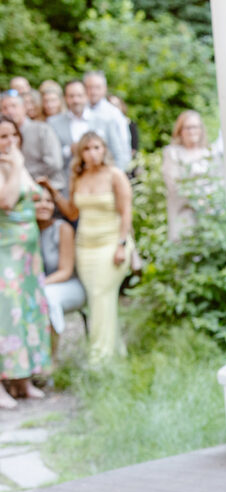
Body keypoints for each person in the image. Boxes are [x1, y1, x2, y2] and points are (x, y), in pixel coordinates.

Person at [39, 132, 134, 363]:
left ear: (104, 149)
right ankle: (116, 351)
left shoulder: (115, 175)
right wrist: (52, 191)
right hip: (85, 246)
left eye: (97, 147)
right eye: (87, 149)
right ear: (80, 153)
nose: (93, 153)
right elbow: (72, 212)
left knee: (101, 294)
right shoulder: (78, 178)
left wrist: (121, 244)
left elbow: (126, 212)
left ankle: (99, 357)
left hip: (111, 243)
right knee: (98, 298)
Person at [0, 115, 51, 408]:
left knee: (27, 312)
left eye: (13, 136)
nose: (9, 142)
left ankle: (23, 379)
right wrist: (16, 166)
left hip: (28, 255)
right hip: (5, 253)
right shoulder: (10, 165)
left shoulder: (19, 163)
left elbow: (32, 197)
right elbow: (5, 201)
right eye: (3, 137)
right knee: (6, 315)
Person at [35, 187, 86, 358]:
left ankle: (51, 358)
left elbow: (65, 272)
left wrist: (38, 286)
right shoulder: (26, 232)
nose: (43, 205)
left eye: (48, 201)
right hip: (38, 288)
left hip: (68, 285)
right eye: (38, 201)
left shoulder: (63, 228)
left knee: (47, 297)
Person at [48, 80, 129, 185]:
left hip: (102, 183)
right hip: (69, 184)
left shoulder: (105, 121)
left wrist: (114, 181)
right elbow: (50, 157)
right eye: (71, 96)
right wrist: (69, 150)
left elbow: (118, 154)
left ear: (86, 96)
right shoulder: (53, 123)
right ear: (65, 98)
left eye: (79, 95)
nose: (75, 100)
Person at [162, 110, 216, 241]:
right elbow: (174, 184)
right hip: (184, 212)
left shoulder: (209, 153)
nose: (192, 131)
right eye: (188, 127)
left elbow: (217, 181)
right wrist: (198, 198)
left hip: (209, 213)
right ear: (180, 131)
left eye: (195, 127)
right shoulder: (172, 153)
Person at [0, 91, 65, 195]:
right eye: (4, 108)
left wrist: (21, 171)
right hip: (17, 193)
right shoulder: (3, 137)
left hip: (50, 191)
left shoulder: (42, 129)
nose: (10, 111)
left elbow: (54, 163)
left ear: (24, 108)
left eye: (14, 106)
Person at [83, 71, 131, 172]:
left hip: (108, 171)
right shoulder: (79, 111)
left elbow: (123, 148)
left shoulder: (114, 114)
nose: (93, 91)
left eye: (97, 87)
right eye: (90, 87)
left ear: (105, 89)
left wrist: (118, 174)